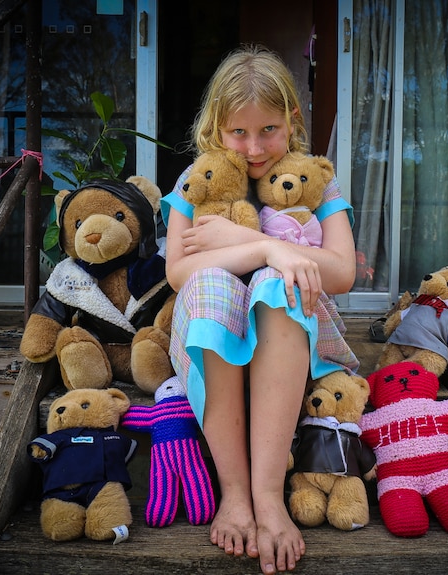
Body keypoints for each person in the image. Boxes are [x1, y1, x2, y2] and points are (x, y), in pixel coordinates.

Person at [160, 45, 359, 575]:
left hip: (292, 333)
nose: (254, 148)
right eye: (238, 133)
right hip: (212, 331)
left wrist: (264, 252)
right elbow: (179, 272)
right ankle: (235, 493)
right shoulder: (196, 181)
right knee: (209, 282)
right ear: (215, 128)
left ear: (292, 120)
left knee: (277, 286)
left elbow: (340, 270)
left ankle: (268, 494)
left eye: (268, 130)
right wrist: (264, 246)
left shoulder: (315, 177)